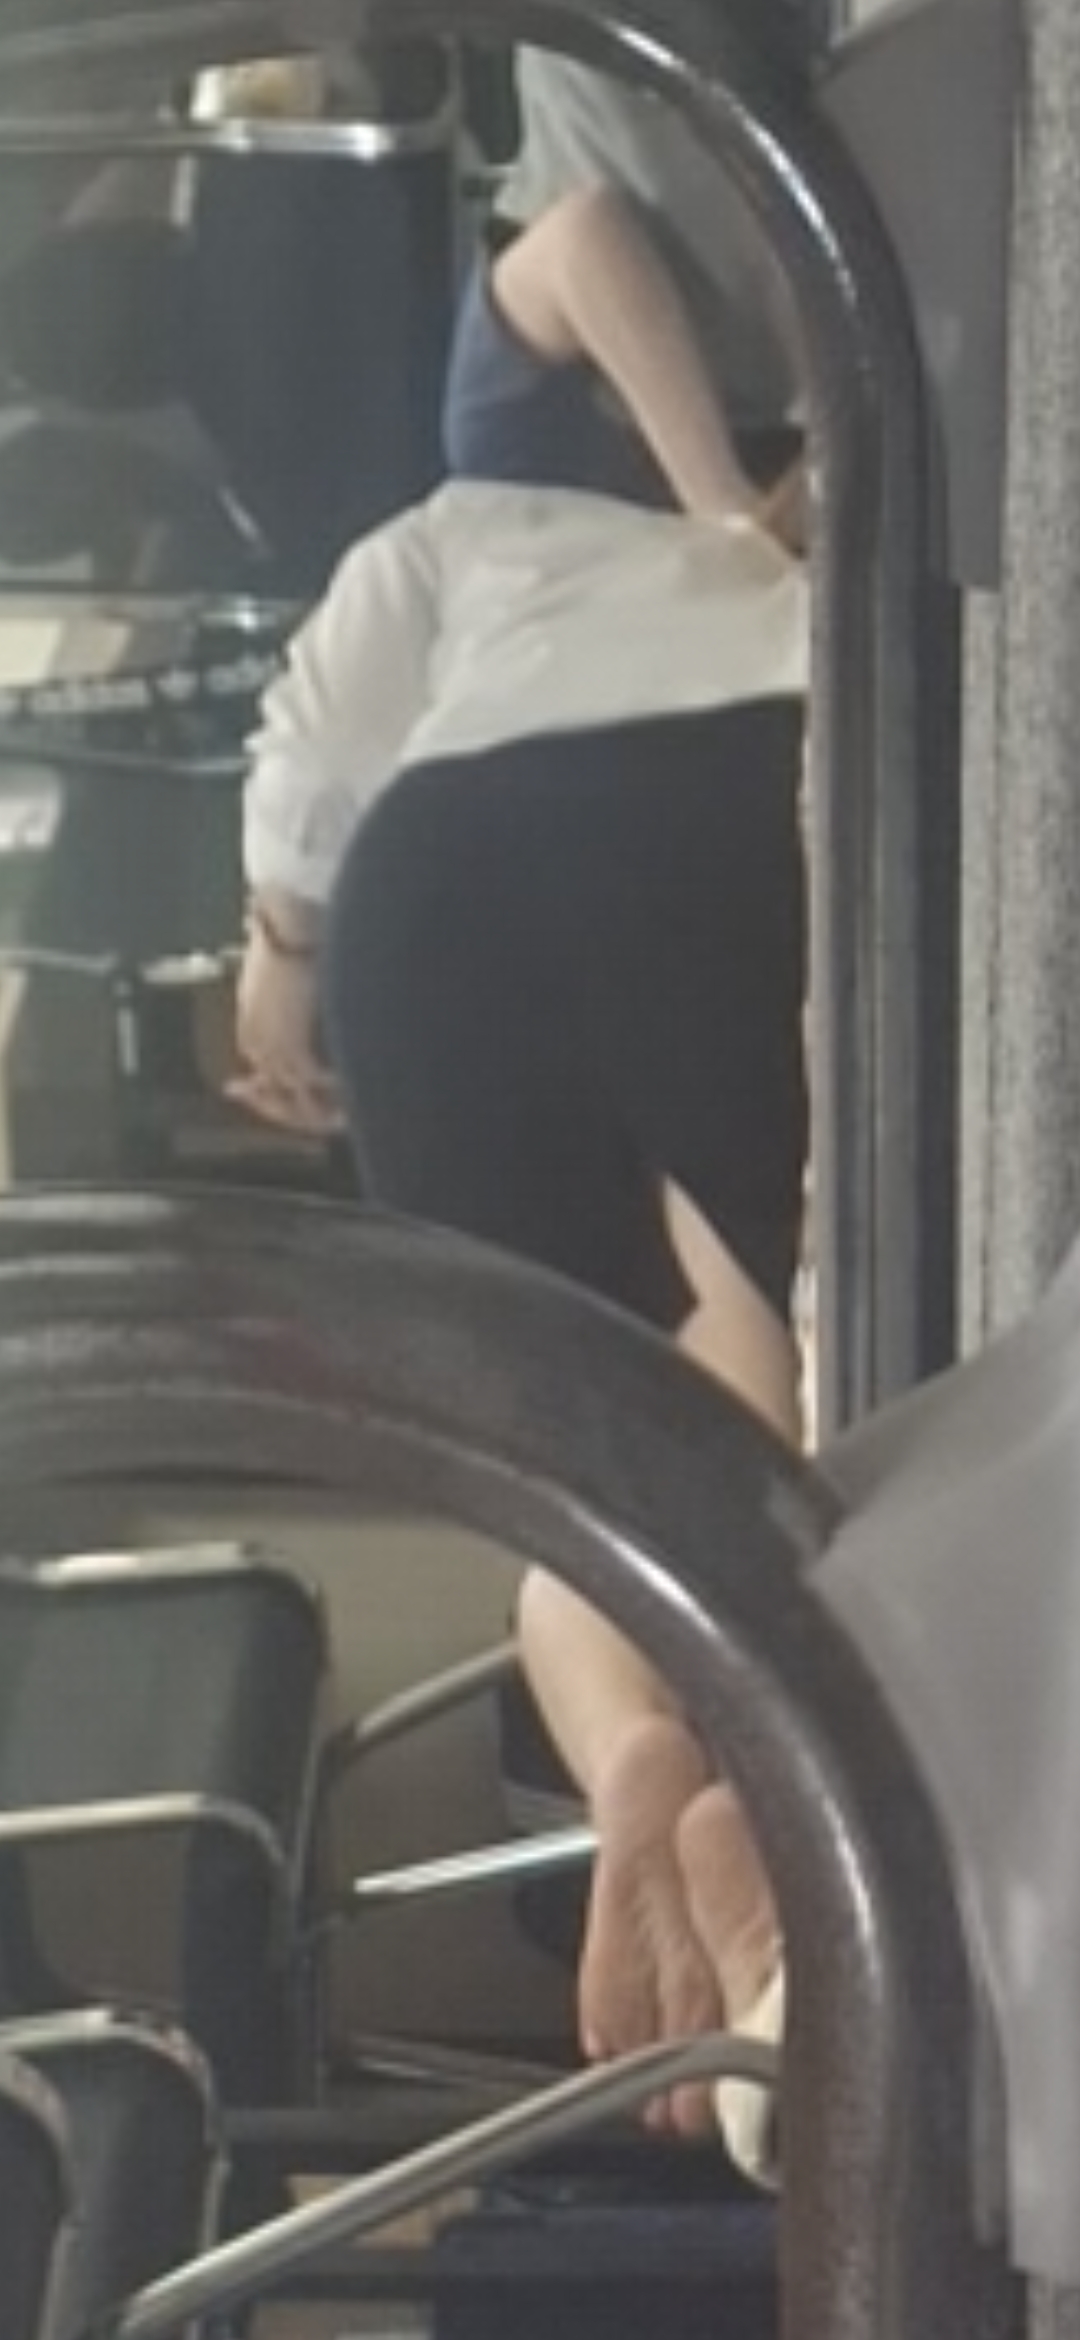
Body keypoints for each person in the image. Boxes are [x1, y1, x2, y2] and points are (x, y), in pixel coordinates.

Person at [233, 191, 809, 2142]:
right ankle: (748, 1795)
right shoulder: (495, 459)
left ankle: (653, 1759)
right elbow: (578, 237)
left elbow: (302, 813)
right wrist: (731, 507)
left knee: (601, 1468)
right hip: (702, 770)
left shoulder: (456, 522)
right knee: (782, 1343)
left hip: (427, 908)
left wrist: (282, 952)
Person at [445, 49, 804, 536]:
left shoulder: (507, 466)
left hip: (618, 120)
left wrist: (719, 501)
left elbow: (581, 236)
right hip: (779, 158)